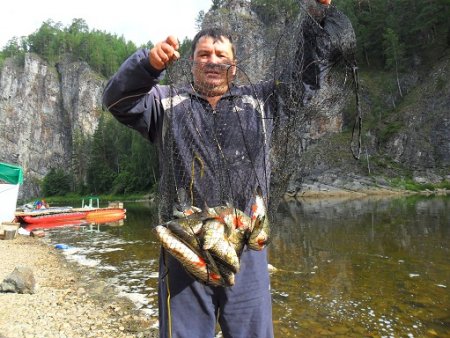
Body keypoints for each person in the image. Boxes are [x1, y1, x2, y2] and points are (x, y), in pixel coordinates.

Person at [102, 1, 355, 337]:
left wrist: (316, 15)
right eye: (204, 54)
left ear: (234, 66)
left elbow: (304, 81)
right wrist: (146, 66)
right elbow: (117, 101)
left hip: (245, 246)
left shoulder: (260, 100)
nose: (213, 60)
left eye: (221, 55)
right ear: (192, 63)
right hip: (185, 247)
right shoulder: (164, 101)